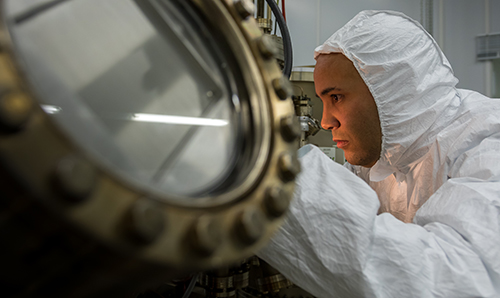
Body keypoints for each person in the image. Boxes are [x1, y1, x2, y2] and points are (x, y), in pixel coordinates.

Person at [257, 10, 500, 298]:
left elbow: (456, 281)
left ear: (395, 91)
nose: (325, 122)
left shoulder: (486, 143)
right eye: (322, 100)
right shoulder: (385, 154)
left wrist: (270, 181)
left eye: (336, 97)